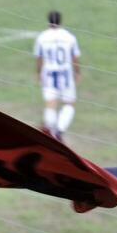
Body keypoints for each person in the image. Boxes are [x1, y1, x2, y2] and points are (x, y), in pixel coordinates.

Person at [34, 10, 81, 141]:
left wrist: (38, 73)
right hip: (66, 74)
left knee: (51, 104)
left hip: (49, 74)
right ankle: (59, 131)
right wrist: (77, 72)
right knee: (69, 103)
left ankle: (51, 132)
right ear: (60, 21)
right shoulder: (69, 37)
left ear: (48, 21)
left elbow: (39, 58)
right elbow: (75, 58)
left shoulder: (42, 37)